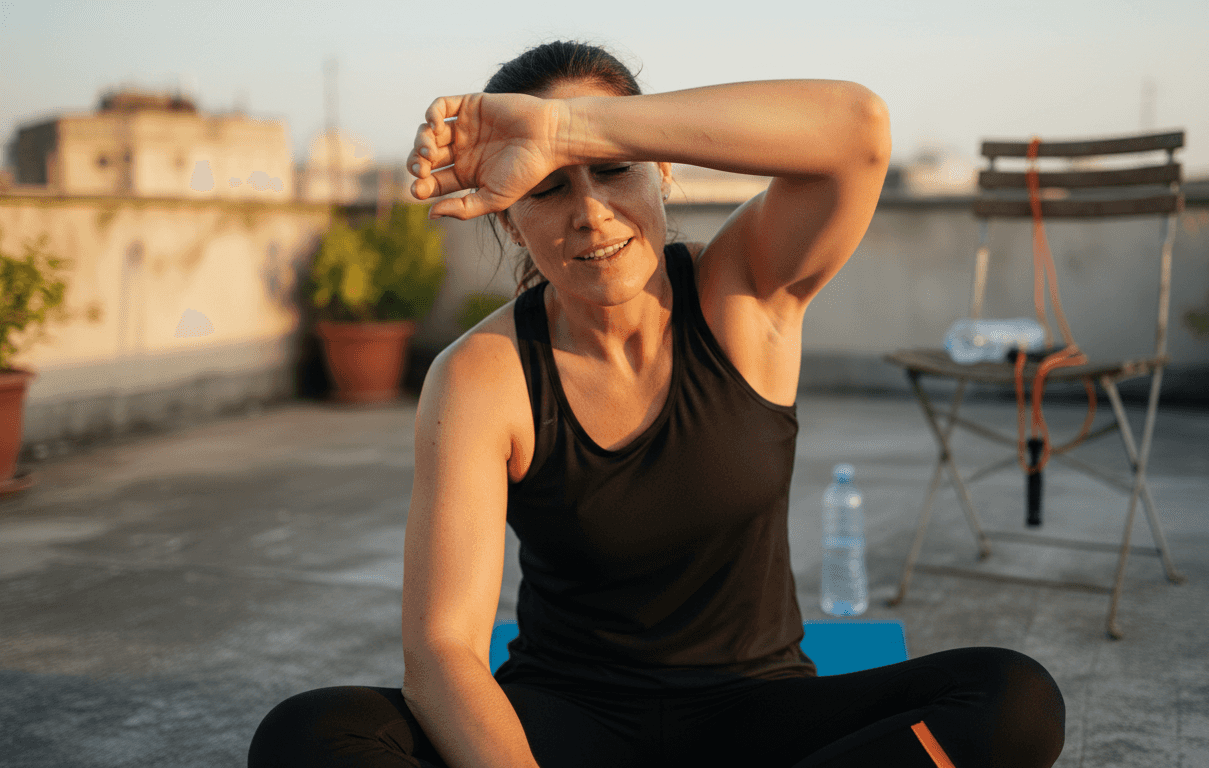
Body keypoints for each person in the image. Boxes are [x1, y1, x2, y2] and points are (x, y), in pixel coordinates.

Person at [249, 40, 1065, 768]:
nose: (590, 214)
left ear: (662, 165)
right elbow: (442, 652)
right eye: (547, 187)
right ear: (511, 216)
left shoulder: (743, 295)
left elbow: (858, 130)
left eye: (614, 167)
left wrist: (570, 129)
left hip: (758, 717)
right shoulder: (481, 375)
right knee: (307, 736)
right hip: (562, 723)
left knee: (1012, 699)